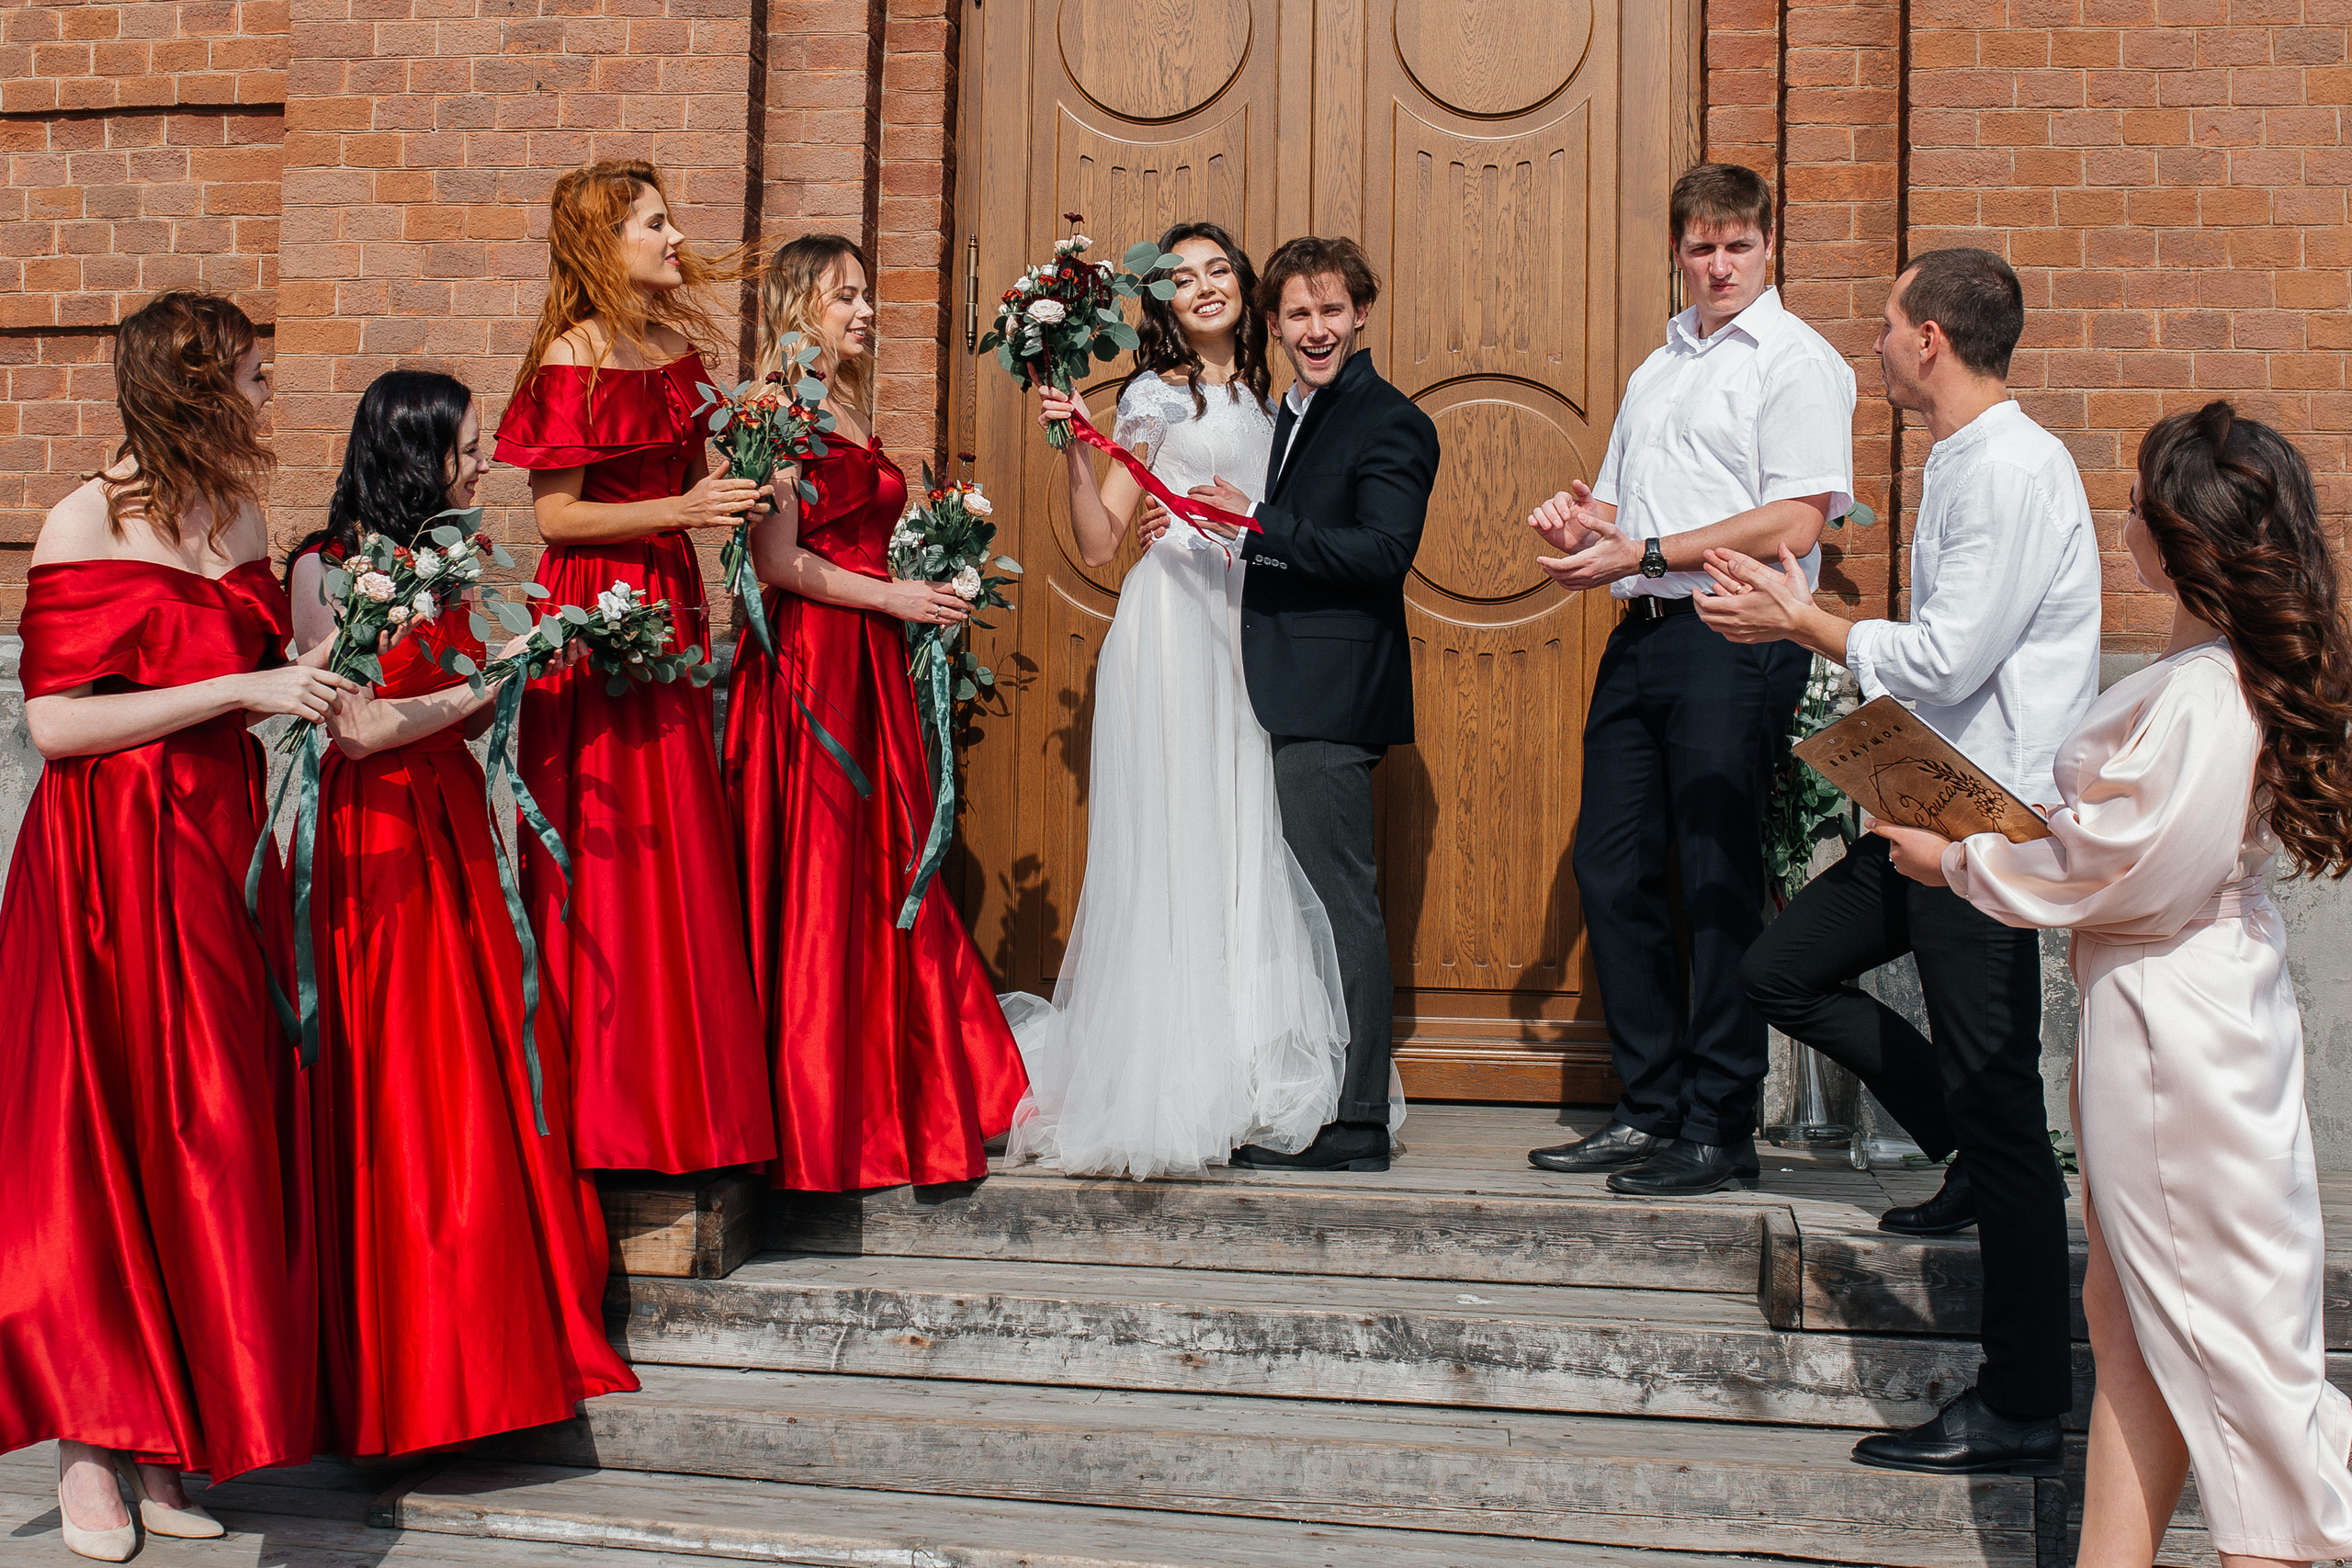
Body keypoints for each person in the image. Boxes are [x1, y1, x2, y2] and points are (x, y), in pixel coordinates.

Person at [1878, 403, 2352, 1562]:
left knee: (2227, 1338)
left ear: (2174, 536)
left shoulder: (2200, 695)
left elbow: (2124, 868)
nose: (2122, 516)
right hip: (2174, 1008)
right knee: (2133, 1325)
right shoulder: (2213, 678)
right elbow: (2127, 843)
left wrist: (1959, 859)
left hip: (2172, 1028)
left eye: (2137, 500)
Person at [1699, 246, 2098, 1474]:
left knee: (2010, 1112)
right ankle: (1965, 1150)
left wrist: (1802, 616)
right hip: (1930, 799)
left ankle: (2025, 1398)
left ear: (1930, 338)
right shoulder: (1964, 459)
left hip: (1987, 824)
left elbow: (1954, 653)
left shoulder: (2014, 465)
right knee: (1783, 971)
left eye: (1882, 325)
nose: (1870, 343)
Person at [0, 292, 360, 1561]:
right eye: (256, 378)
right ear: (194, 385)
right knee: (95, 1138)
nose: (271, 400)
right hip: (102, 869)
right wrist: (242, 683)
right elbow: (52, 725)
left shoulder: (245, 519)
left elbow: (279, 678)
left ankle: (164, 1434)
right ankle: (86, 1443)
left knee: (205, 1131)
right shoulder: (81, 518)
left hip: (214, 859)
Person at [288, 370, 639, 1461]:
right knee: (401, 1078)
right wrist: (494, 678)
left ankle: (491, 1342)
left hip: (451, 828)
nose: (483, 464)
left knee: (489, 1073)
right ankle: (403, 1365)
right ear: (414, 453)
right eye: (468, 448)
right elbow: (354, 729)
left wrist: (538, 654)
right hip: (370, 844)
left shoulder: (467, 563)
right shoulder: (321, 567)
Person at [1522, 163, 1852, 1197]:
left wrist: (1649, 545)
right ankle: (1649, 1106)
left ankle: (1718, 1126)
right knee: (1613, 870)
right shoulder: (1658, 365)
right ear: (1676, 249)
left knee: (1714, 879)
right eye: (1701, 247)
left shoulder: (1795, 362)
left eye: (1737, 247)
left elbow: (1797, 519)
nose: (1718, 265)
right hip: (1645, 632)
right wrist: (1585, 526)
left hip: (1737, 633)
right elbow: (1623, 518)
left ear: (1768, 248)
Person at [1000, 221, 1350, 1179]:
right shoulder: (1153, 396)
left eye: (1219, 271)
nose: (1203, 287)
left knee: (1241, 825)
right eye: (1183, 277)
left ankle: (1237, 1058)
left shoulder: (1279, 400)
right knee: (1177, 832)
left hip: (1247, 627)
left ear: (1246, 287)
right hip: (1170, 627)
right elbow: (1101, 542)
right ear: (1163, 300)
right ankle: (1162, 1070)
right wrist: (1074, 450)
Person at [724, 233, 1028, 1191]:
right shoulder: (771, 409)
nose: (864, 312)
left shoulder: (844, 405)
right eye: (844, 296)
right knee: (821, 880)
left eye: (864, 295)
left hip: (870, 665)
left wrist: (921, 578)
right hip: (810, 669)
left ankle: (905, 1089)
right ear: (794, 305)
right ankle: (823, 1115)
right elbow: (775, 563)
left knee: (886, 868)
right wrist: (893, 597)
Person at [493, 158, 777, 1175]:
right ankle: (601, 1110)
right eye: (652, 223)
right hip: (593, 611)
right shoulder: (570, 356)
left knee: (676, 846)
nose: (672, 238)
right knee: (611, 844)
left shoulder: (682, 353)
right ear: (601, 244)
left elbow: (714, 479)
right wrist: (684, 511)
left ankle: (684, 1106)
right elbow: (555, 516)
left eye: (668, 218)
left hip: (670, 602)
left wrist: (764, 461)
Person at [1167, 233, 1438, 1173]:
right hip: (1263, 684)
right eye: (1296, 315)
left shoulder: (1391, 421)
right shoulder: (1287, 413)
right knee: (1290, 907)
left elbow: (1379, 552)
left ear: (1361, 312)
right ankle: (1304, 1087)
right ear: (1273, 325)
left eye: (1331, 311)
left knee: (1338, 904)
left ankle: (1360, 1118)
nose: (1315, 330)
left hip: (1330, 697)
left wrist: (1256, 522)